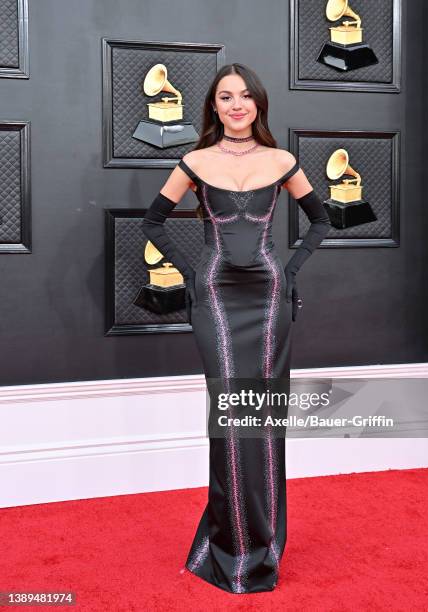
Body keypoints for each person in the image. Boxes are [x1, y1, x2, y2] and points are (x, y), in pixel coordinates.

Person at [141, 62, 330, 594]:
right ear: (214, 107)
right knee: (230, 419)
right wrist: (192, 274)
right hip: (217, 300)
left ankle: (264, 545)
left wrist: (289, 273)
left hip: (269, 300)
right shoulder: (195, 160)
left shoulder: (282, 160)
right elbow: (151, 221)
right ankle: (229, 544)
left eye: (246, 96)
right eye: (226, 97)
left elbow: (320, 219)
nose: (237, 104)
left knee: (264, 422)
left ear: (258, 104)